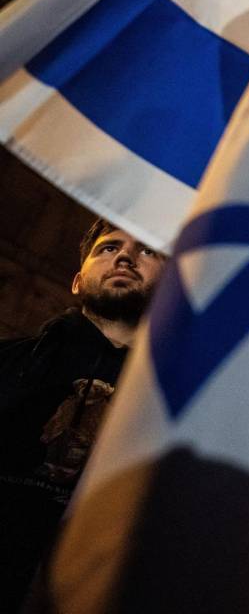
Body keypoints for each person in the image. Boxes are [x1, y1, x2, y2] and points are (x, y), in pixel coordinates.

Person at [0, 218, 165, 609]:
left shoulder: (174, 407)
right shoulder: (6, 363)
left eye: (148, 250)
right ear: (77, 281)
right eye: (109, 248)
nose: (125, 257)